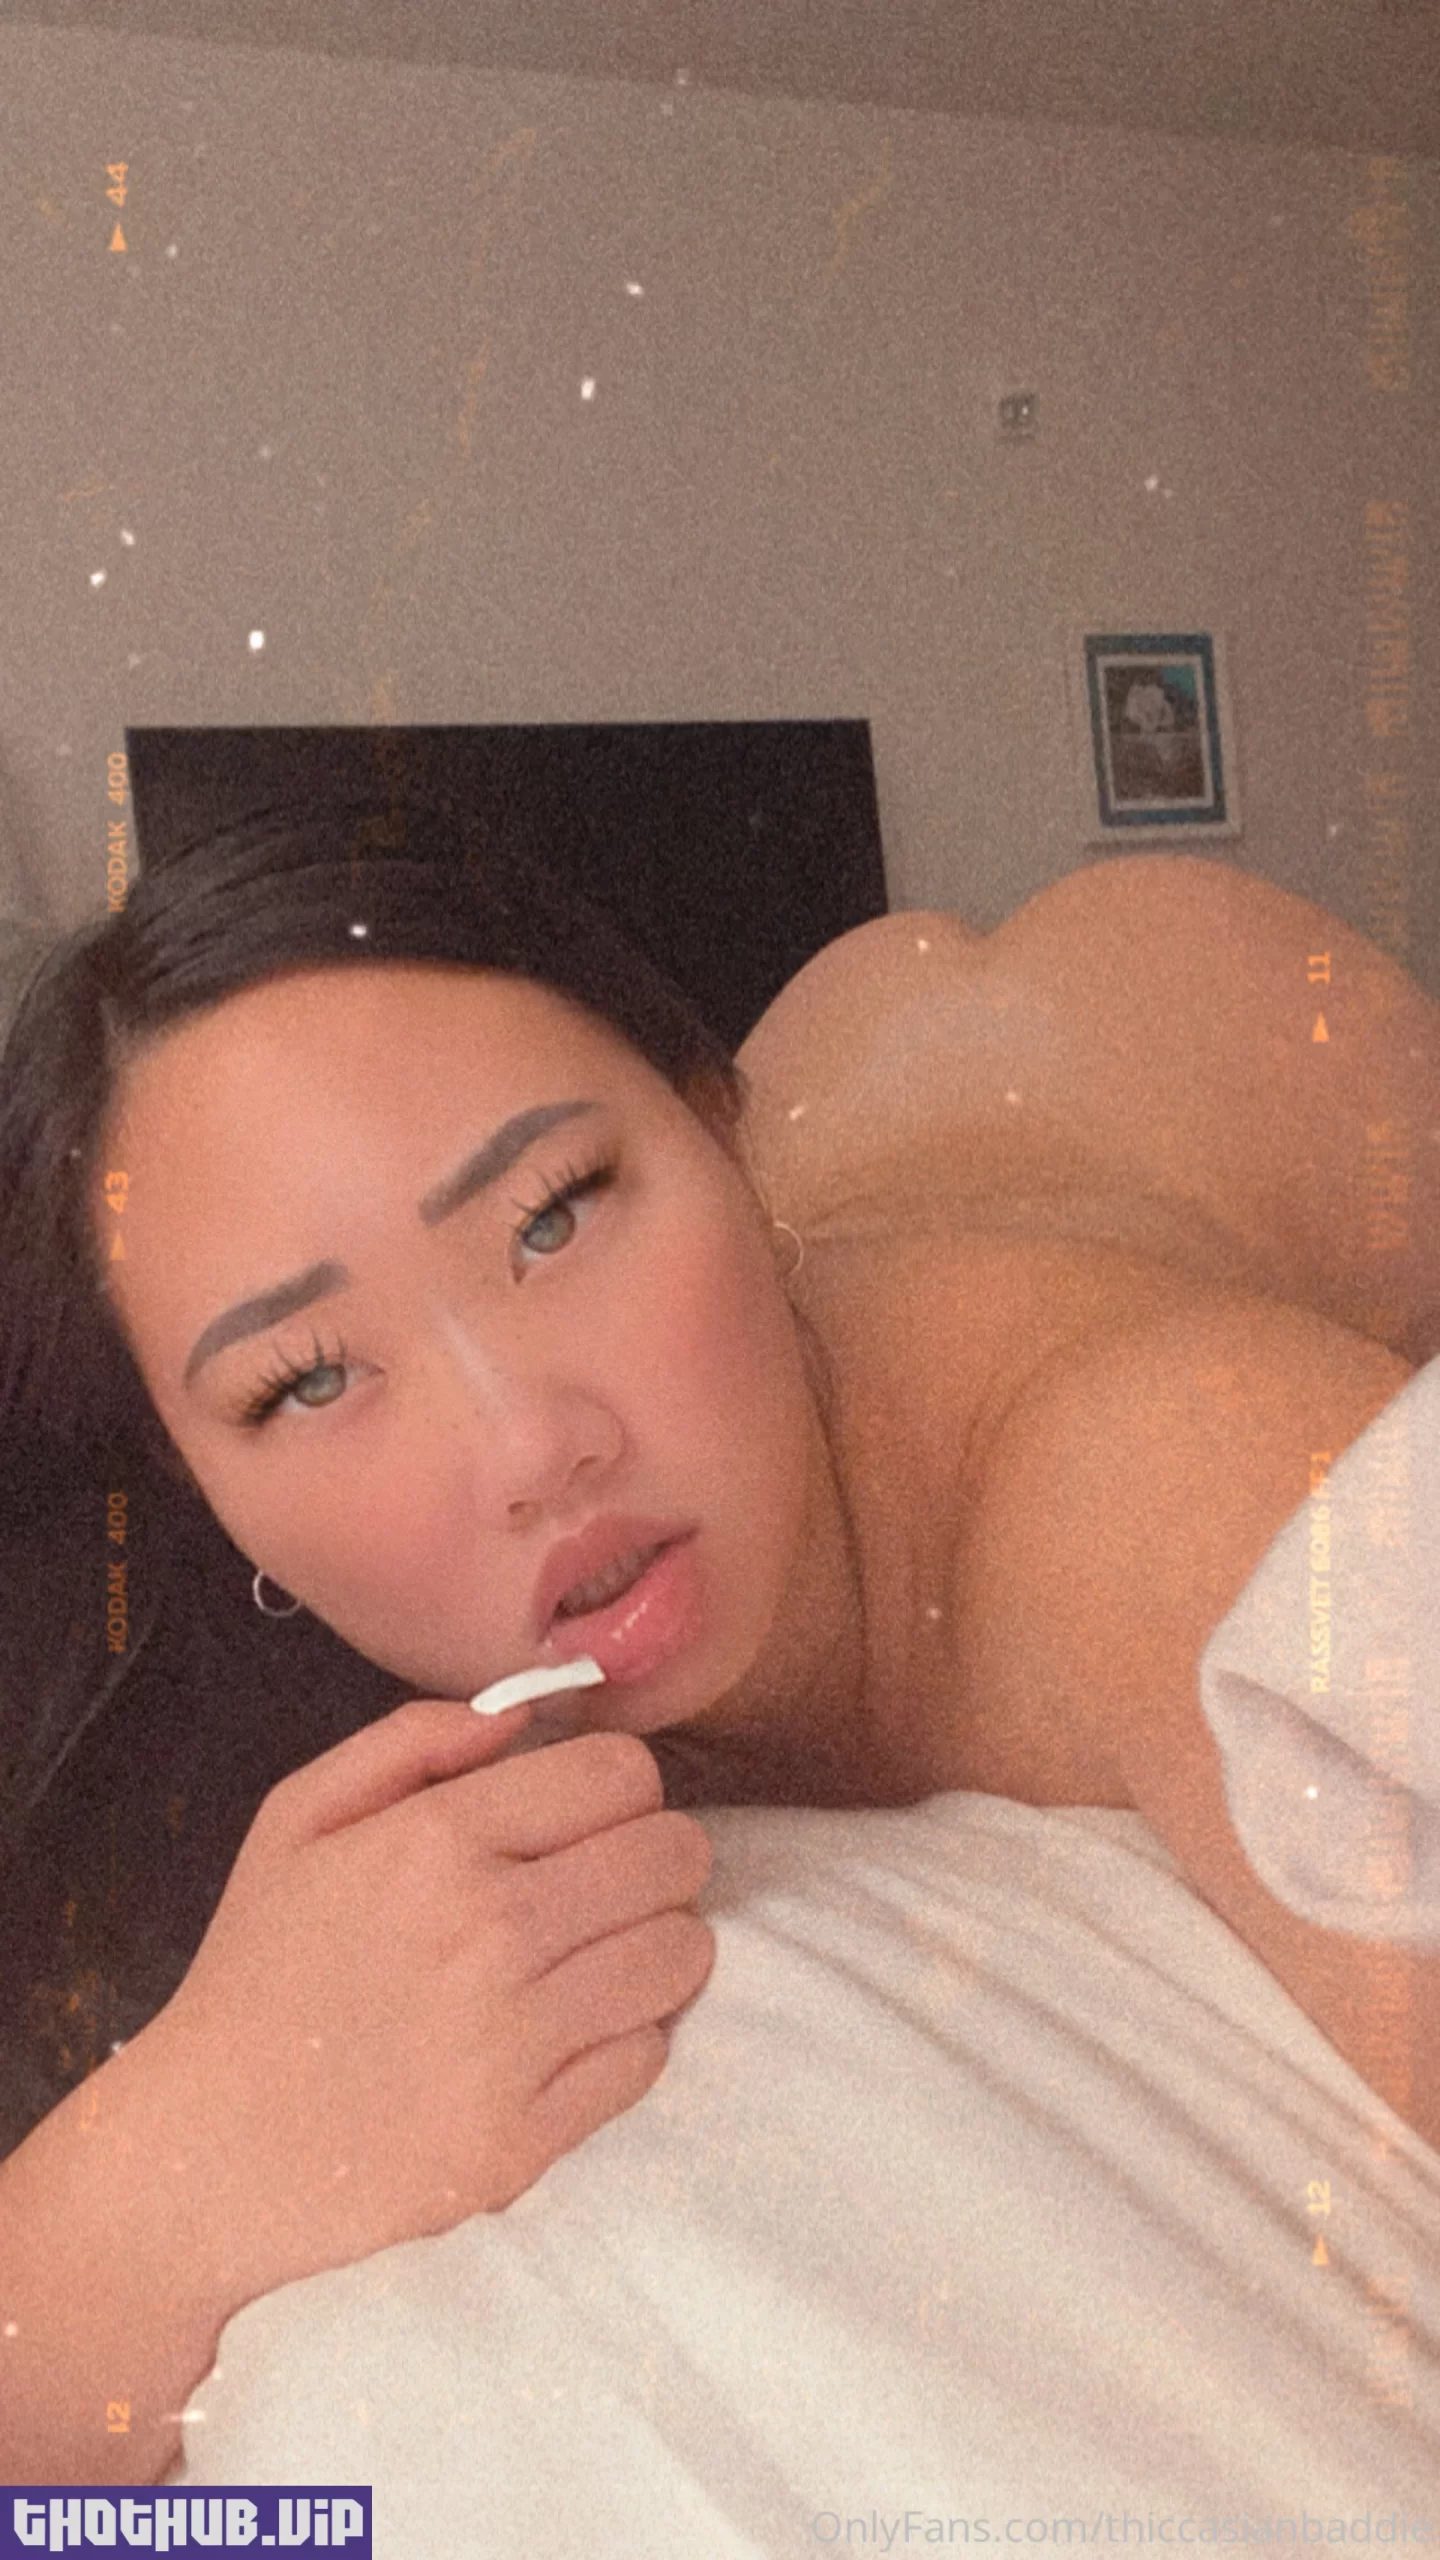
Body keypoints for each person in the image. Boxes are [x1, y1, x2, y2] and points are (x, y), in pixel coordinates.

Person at [0, 794, 1436, 2488]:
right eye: (308, 1379)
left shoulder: (1179, 1507)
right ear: (196, 1487)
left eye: (553, 1216)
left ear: (715, 1129)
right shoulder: (262, 1716)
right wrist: (185, 2144)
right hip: (899, 1057)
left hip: (1236, 1045)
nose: (528, 1447)